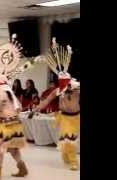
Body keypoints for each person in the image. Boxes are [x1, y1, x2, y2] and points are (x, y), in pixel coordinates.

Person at [34, 38, 80, 171]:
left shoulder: (76, 88)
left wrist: (73, 88)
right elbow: (46, 101)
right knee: (66, 137)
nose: (62, 84)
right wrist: (36, 109)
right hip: (63, 117)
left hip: (75, 117)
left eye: (64, 81)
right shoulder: (57, 90)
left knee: (70, 138)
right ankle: (68, 158)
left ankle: (72, 161)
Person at [0, 75, 28, 179]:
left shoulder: (1, 91)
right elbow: (19, 107)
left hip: (6, 125)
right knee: (13, 149)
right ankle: (22, 168)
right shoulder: (10, 92)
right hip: (15, 123)